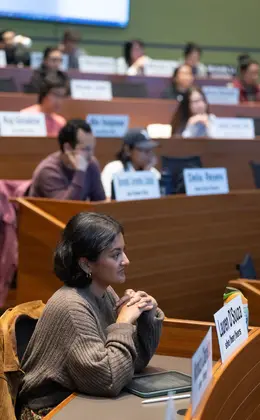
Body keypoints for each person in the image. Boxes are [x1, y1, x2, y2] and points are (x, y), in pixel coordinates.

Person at [19, 212, 164, 418]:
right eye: (115, 255)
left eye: (124, 251)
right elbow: (109, 380)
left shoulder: (104, 292)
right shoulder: (71, 306)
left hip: (79, 399)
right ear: (86, 264)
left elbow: (131, 364)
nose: (126, 261)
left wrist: (145, 315)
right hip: (49, 411)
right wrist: (123, 323)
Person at [28, 119, 106, 201]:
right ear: (68, 148)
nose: (91, 155)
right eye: (86, 149)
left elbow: (100, 203)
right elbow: (65, 208)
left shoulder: (91, 164)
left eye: (92, 148)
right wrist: (80, 172)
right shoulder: (48, 170)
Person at [101, 128, 161, 199]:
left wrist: (146, 174)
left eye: (150, 149)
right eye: (143, 149)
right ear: (128, 150)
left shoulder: (154, 173)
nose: (149, 154)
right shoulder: (114, 169)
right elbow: (107, 200)